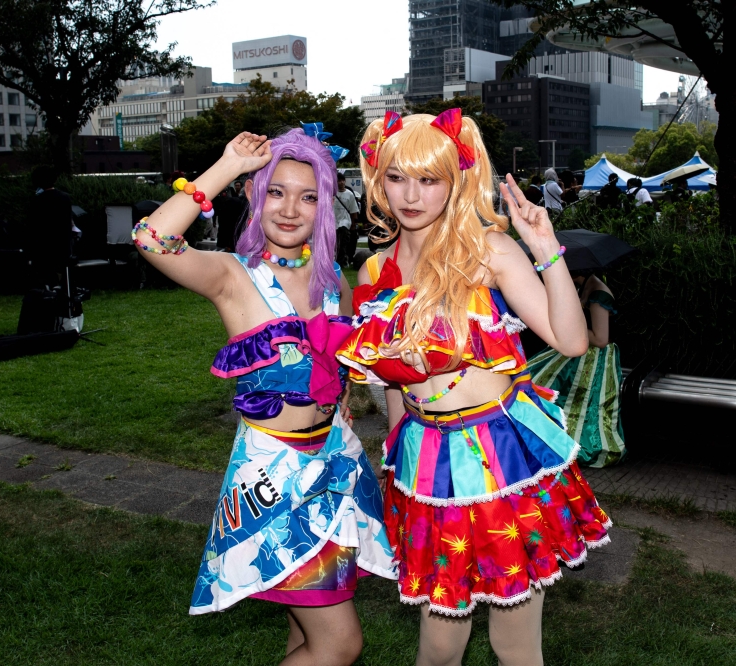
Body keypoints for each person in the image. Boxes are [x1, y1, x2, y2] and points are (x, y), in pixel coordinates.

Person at [338, 109, 610, 666]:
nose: (411, 195)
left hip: (500, 457)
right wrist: (398, 455)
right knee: (437, 647)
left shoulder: (487, 251)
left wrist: (545, 249)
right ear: (378, 178)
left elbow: (572, 339)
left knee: (513, 646)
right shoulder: (374, 271)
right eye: (397, 177)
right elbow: (394, 378)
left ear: (456, 180)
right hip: (425, 463)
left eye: (429, 179)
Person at [135, 130, 395, 666]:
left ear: (324, 207)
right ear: (254, 195)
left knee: (305, 637)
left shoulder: (331, 282)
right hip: (273, 483)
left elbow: (339, 364)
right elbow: (151, 237)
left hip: (334, 473)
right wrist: (227, 164)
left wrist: (342, 397)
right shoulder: (233, 275)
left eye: (308, 196)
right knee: (340, 644)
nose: (290, 208)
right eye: (276, 191)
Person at [525, 272, 625, 467]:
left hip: (595, 359)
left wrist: (573, 326)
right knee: (535, 379)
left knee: (583, 404)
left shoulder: (598, 295)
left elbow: (601, 339)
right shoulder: (587, 286)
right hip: (579, 354)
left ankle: (580, 446)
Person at [27, 166, 73, 287]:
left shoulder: (36, 201)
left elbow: (32, 227)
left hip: (43, 248)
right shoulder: (65, 198)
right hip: (61, 246)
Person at [334, 172, 359, 267]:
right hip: (333, 223)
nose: (340, 183)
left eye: (342, 180)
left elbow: (354, 211)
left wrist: (353, 224)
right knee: (336, 243)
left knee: (342, 242)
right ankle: (340, 259)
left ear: (344, 181)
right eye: (338, 181)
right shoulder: (332, 194)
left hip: (345, 222)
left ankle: (341, 262)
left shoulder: (350, 194)